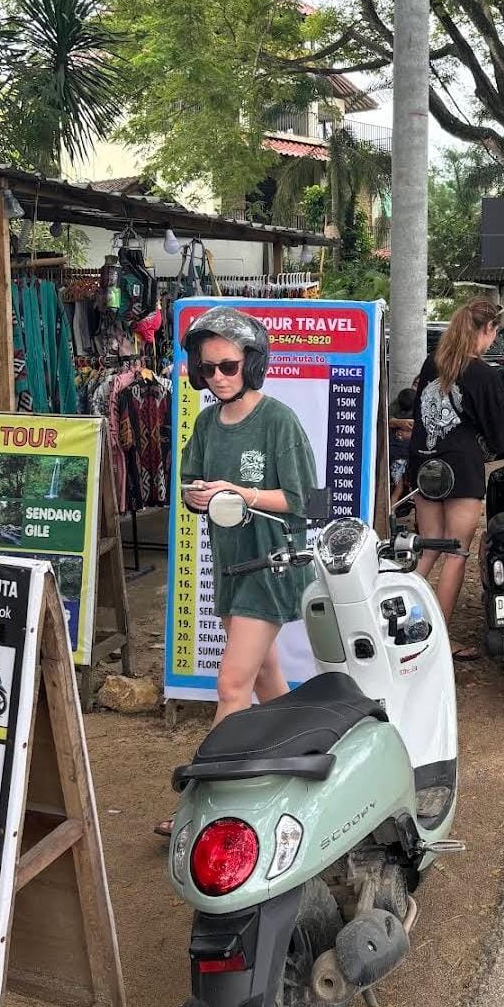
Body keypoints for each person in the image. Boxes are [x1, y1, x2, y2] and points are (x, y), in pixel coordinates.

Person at [154, 307, 317, 838]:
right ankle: (306, 762)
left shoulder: (278, 421)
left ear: (252, 362)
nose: (219, 377)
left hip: (271, 565)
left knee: (231, 686)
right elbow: (191, 485)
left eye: (228, 365)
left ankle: (199, 805)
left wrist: (240, 493)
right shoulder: (206, 423)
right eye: (208, 369)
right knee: (266, 676)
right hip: (230, 564)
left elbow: (302, 501)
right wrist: (199, 496)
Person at [408, 298, 504, 663]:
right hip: (462, 471)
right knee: (456, 553)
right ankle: (437, 641)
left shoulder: (432, 363)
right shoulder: (484, 374)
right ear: (487, 329)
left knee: (428, 549)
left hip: (424, 468)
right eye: (495, 332)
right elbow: (499, 437)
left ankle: (401, 627)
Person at [388, 383, 417, 505]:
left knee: (398, 488)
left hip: (396, 459)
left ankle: (391, 510)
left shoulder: (397, 419)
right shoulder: (412, 421)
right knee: (403, 489)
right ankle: (392, 510)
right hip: (406, 459)